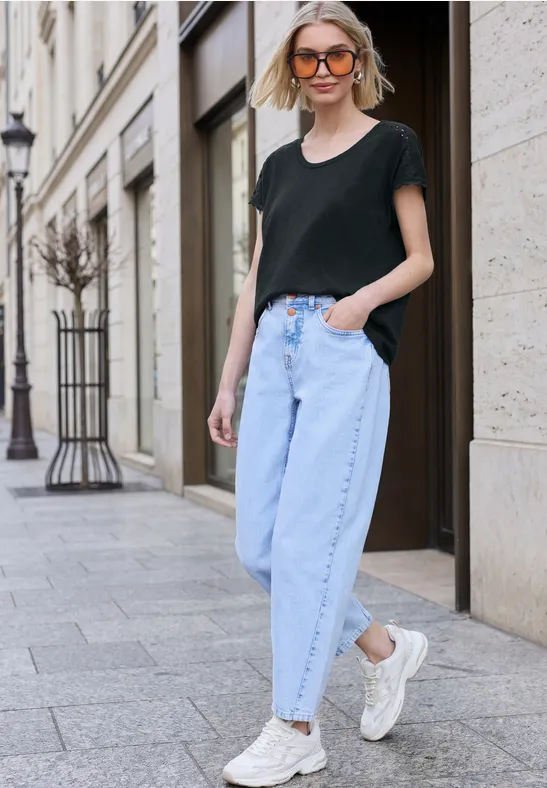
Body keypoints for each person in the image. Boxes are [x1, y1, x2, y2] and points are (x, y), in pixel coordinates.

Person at [207, 2, 434, 785]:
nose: (324, 69)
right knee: (258, 544)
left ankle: (294, 726)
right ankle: (381, 646)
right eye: (308, 58)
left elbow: (420, 258)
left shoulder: (390, 145)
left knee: (307, 544)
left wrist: (357, 307)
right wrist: (229, 379)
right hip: (275, 345)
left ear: (359, 60)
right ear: (293, 69)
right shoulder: (277, 166)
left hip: (341, 346)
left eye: (338, 55)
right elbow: (254, 279)